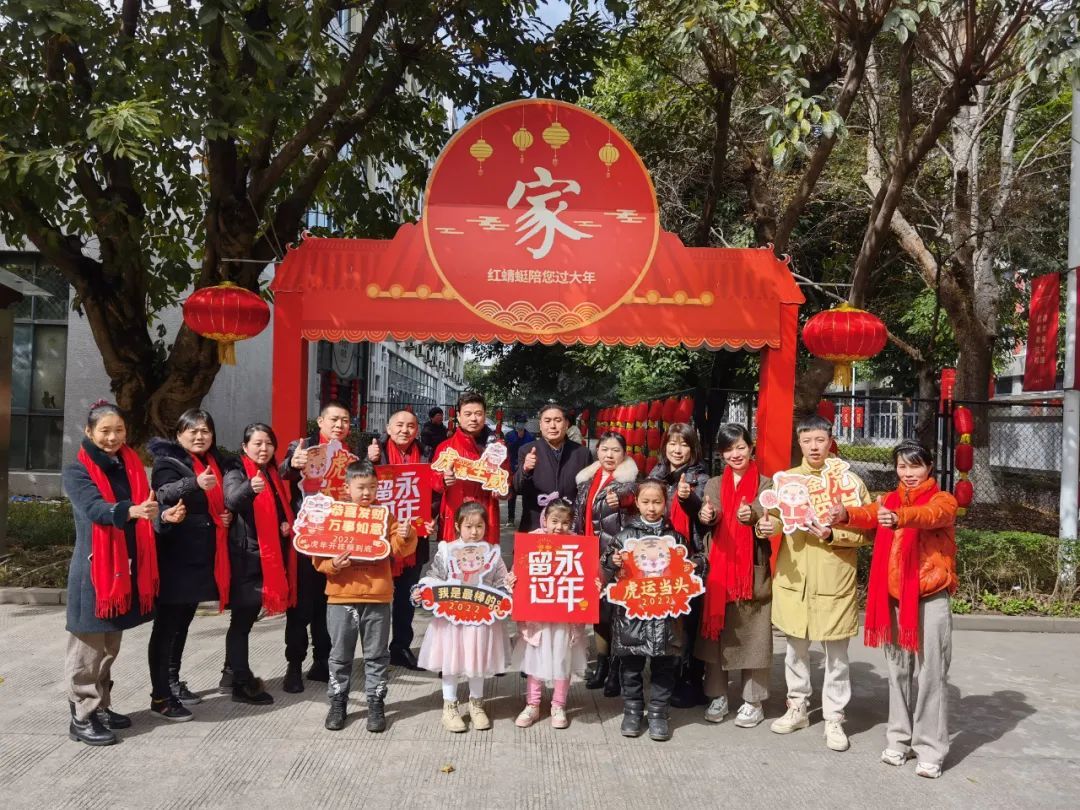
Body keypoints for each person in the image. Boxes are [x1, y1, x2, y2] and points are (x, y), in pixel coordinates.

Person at [831, 441, 958, 778]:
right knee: (898, 671)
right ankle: (899, 739)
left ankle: (930, 748)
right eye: (902, 466)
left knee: (931, 673)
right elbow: (869, 515)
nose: (908, 473)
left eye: (915, 466)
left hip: (931, 598)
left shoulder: (942, 500)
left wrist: (900, 517)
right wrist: (845, 515)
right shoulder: (887, 500)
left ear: (929, 467)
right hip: (893, 599)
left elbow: (930, 517)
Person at [759, 414, 870, 752]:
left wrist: (833, 533)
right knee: (795, 649)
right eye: (807, 440)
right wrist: (767, 528)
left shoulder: (848, 482)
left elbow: (865, 530)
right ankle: (798, 706)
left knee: (836, 652)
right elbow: (776, 519)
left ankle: (835, 716)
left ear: (830, 440)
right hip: (795, 576)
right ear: (799, 442)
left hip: (834, 576)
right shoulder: (787, 480)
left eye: (819, 440)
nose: (813, 446)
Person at [63, 401, 163, 745]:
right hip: (95, 572)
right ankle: (82, 715)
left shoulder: (130, 464)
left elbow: (142, 508)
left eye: (118, 430)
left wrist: (154, 513)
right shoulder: (77, 471)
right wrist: (132, 510)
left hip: (123, 570)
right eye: (105, 431)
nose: (112, 437)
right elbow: (95, 508)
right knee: (87, 649)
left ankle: (102, 705)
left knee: (109, 647)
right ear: (89, 432)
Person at [314, 461, 418, 733]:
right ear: (347, 488)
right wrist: (333, 564)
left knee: (376, 656)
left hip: (377, 597)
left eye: (372, 487)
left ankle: (376, 703)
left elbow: (399, 548)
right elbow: (319, 557)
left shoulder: (384, 516)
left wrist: (407, 535)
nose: (367, 493)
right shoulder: (335, 516)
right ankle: (338, 703)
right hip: (340, 596)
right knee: (339, 656)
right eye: (361, 487)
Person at [602, 480, 705, 742]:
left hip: (666, 617)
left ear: (665, 503)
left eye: (657, 502)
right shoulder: (624, 536)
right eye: (646, 502)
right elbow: (607, 565)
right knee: (631, 667)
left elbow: (691, 564)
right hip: (632, 616)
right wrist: (611, 561)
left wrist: (695, 564)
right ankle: (633, 711)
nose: (651, 508)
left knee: (664, 667)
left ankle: (659, 713)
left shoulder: (675, 538)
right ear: (636, 503)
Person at [148, 408, 234, 721]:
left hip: (200, 557)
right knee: (167, 627)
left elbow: (220, 500)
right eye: (192, 431)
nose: (199, 436)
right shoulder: (168, 463)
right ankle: (160, 696)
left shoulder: (213, 463)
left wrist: (227, 515)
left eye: (205, 431)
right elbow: (163, 492)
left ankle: (172, 681)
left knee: (182, 623)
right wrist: (194, 484)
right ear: (179, 434)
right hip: (175, 557)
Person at [694, 424, 776, 728]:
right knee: (716, 635)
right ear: (721, 454)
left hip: (751, 570)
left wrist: (751, 515)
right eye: (728, 449)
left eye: (740, 447)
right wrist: (707, 515)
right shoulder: (714, 483)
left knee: (753, 634)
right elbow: (709, 510)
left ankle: (753, 701)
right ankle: (717, 695)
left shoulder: (767, 484)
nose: (735, 454)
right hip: (720, 569)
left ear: (751, 448)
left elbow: (767, 514)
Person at [415, 501, 512, 733]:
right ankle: (450, 706)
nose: (474, 531)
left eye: (479, 526)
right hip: (451, 619)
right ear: (458, 526)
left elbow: (501, 580)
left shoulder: (492, 553)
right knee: (451, 662)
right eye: (468, 526)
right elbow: (434, 575)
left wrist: (508, 589)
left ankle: (476, 704)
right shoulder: (447, 550)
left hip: (481, 620)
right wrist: (424, 589)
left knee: (476, 662)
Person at [279, 400, 354, 692]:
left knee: (329, 604)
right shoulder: (303, 448)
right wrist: (292, 463)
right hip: (306, 541)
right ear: (320, 422)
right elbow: (285, 471)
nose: (339, 425)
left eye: (345, 420)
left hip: (335, 541)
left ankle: (322, 661)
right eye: (334, 419)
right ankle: (294, 666)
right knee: (301, 605)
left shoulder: (349, 457)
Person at [221, 423, 298, 705]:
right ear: (244, 447)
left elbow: (277, 509)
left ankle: (230, 673)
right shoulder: (237, 470)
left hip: (264, 554)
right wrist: (250, 488)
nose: (263, 449)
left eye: (268, 443)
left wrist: (283, 524)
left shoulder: (272, 472)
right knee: (242, 621)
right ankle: (242, 683)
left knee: (244, 620)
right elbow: (231, 499)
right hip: (246, 557)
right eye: (257, 443)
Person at [508, 500, 589, 729]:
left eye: (565, 522)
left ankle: (559, 704)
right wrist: (513, 581)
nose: (559, 527)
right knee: (536, 658)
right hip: (538, 617)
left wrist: (593, 584)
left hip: (565, 618)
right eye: (554, 521)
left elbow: (588, 577)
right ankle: (532, 704)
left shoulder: (577, 545)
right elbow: (518, 571)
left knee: (563, 658)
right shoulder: (532, 541)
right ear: (545, 520)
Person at [648, 422, 710, 708]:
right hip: (658, 559)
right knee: (664, 620)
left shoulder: (701, 479)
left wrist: (690, 500)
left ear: (693, 448)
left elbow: (707, 516)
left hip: (690, 559)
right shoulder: (656, 475)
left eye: (683, 444)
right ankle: (666, 677)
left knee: (689, 623)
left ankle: (691, 681)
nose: (677, 449)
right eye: (672, 443)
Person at [572, 431, 638, 696]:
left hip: (616, 558)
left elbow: (633, 496)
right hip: (589, 554)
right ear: (597, 451)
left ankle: (616, 669)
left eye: (615, 451)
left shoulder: (628, 481)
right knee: (598, 614)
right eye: (604, 450)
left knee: (617, 615)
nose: (609, 455)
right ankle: (601, 665)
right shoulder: (589, 479)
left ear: (624, 455)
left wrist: (622, 501)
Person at [366, 409, 433, 670]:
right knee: (379, 597)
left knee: (407, 596)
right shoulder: (375, 450)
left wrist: (433, 516)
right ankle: (375, 650)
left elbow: (433, 490)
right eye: (400, 425)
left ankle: (401, 647)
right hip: (381, 536)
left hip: (413, 537)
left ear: (417, 430)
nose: (405, 430)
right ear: (388, 427)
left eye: (411, 426)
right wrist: (368, 461)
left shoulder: (427, 453)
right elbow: (357, 483)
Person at [431, 392, 508, 544]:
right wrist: (443, 480)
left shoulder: (498, 449)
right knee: (453, 563)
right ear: (458, 416)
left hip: (486, 516)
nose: (473, 418)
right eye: (468, 414)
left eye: (478, 414)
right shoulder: (446, 448)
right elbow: (432, 481)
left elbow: (507, 480)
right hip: (455, 514)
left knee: (485, 562)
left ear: (485, 415)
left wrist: (503, 490)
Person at [513, 403, 592, 533]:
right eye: (547, 421)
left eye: (558, 420)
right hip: (535, 525)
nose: (552, 426)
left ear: (567, 424)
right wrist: (525, 469)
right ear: (540, 425)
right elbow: (517, 488)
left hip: (569, 527)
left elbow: (588, 494)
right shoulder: (527, 450)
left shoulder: (582, 454)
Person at [504, 419, 534, 526]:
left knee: (526, 495)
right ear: (514, 423)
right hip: (511, 468)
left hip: (525, 468)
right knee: (511, 495)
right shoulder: (509, 435)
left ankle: (525, 519)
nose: (520, 425)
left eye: (522, 423)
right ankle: (510, 518)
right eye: (518, 422)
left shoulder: (530, 436)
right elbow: (505, 450)